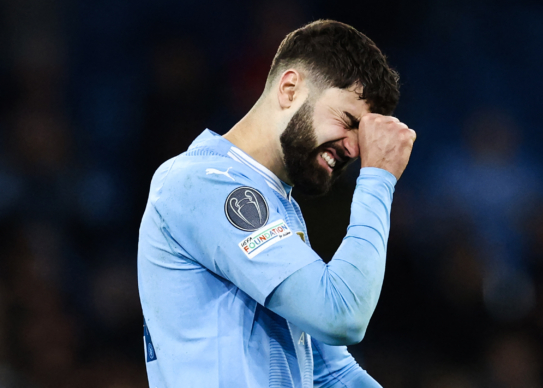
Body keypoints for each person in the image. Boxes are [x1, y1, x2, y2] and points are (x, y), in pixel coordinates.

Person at [138, 20, 416, 387]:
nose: (353, 149)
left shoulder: (278, 206)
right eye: (347, 121)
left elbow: (331, 372)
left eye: (361, 137)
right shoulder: (203, 182)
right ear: (289, 89)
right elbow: (341, 316)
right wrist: (378, 179)